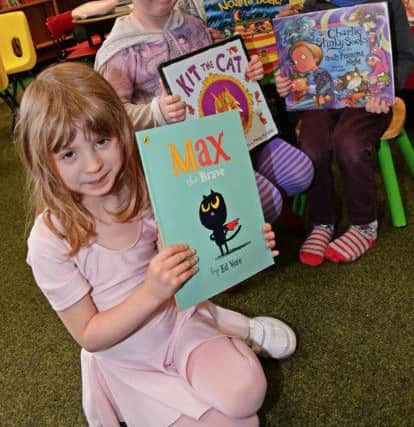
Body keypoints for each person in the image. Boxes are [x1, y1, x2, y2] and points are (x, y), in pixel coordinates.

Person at [17, 62, 297, 427]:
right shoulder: (49, 241)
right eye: (69, 154)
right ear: (44, 162)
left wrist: (243, 249)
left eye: (102, 141)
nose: (92, 165)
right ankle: (231, 329)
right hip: (127, 358)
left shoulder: (149, 188)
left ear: (122, 130)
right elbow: (89, 334)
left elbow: (200, 271)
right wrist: (151, 291)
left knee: (247, 393)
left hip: (179, 324)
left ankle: (231, 324)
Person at [94, 0, 314, 225]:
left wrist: (245, 70)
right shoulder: (119, 51)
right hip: (186, 158)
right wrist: (156, 111)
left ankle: (255, 194)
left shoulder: (194, 24)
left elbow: (219, 72)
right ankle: (245, 227)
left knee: (300, 172)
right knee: (267, 200)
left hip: (237, 135)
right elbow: (110, 116)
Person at [275, 0, 414, 266]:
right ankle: (322, 221)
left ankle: (364, 225)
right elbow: (296, 64)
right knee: (312, 145)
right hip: (323, 100)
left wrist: (386, 89)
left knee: (349, 143)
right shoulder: (311, 6)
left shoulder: (389, 3)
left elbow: (406, 55)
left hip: (371, 100)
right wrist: (287, 80)